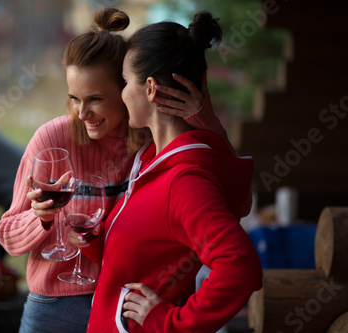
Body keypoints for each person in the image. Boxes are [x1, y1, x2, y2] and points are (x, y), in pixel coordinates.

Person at [0, 8, 237, 333]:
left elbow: (232, 198)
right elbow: (8, 235)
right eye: (74, 99)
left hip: (121, 305)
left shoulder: (152, 146)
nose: (83, 113)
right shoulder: (52, 139)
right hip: (53, 306)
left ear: (126, 89)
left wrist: (203, 117)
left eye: (95, 99)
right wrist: (40, 218)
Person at [74, 10, 263, 332]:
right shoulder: (152, 160)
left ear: (149, 88)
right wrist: (92, 238)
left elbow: (240, 267)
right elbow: (152, 249)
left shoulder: (184, 181)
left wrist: (170, 322)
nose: (121, 93)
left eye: (124, 82)